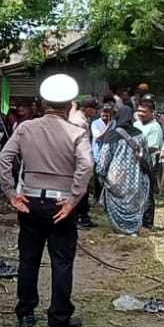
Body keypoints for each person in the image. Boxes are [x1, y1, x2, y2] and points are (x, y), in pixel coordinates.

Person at [0, 74, 92, 327]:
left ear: (43, 102)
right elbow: (86, 166)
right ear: (70, 104)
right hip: (60, 204)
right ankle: (59, 318)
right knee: (62, 260)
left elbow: (4, 159)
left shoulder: (26, 127)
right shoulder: (77, 132)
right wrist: (73, 199)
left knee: (28, 259)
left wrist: (11, 193)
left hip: (30, 201)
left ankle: (26, 313)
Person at [95, 110, 151, 235]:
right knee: (133, 204)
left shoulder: (112, 135)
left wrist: (100, 173)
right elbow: (146, 157)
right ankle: (133, 229)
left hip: (116, 177)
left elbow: (104, 159)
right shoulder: (140, 135)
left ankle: (119, 228)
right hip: (135, 177)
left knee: (118, 202)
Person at [133, 100, 164, 230]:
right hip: (135, 164)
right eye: (139, 111)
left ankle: (147, 223)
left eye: (144, 112)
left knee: (147, 194)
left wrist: (136, 149)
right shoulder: (136, 124)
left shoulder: (155, 127)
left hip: (148, 164)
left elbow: (152, 147)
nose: (140, 114)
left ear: (152, 112)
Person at [70, 96, 98, 231]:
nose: (96, 113)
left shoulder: (79, 118)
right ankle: (81, 218)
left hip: (79, 158)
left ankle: (82, 216)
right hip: (78, 159)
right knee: (81, 189)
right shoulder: (78, 121)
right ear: (88, 109)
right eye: (94, 110)